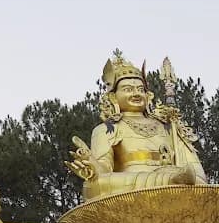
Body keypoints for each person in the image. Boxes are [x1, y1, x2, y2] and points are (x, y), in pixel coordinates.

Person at [66, 51, 206, 200]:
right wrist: (92, 165)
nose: (136, 94)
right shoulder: (107, 129)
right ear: (113, 97)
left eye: (140, 90)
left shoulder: (169, 126)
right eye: (128, 89)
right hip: (131, 188)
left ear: (149, 95)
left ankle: (172, 181)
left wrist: (188, 176)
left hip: (179, 181)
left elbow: (198, 175)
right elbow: (103, 172)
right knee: (94, 184)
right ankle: (168, 182)